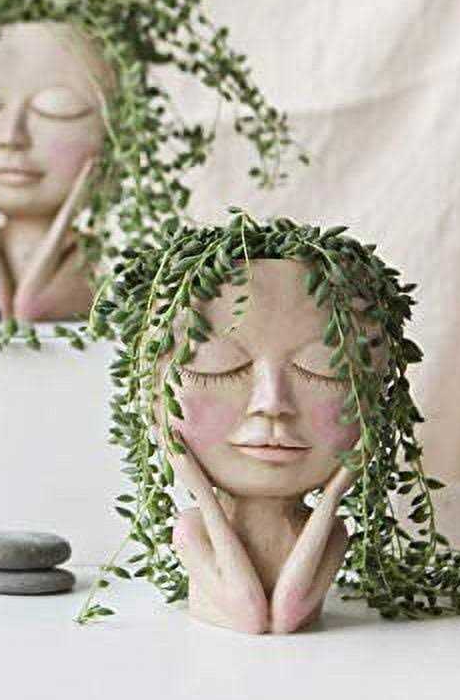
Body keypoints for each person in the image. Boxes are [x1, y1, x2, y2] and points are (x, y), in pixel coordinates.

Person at [159, 258, 383, 634]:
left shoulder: (331, 532)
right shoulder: (191, 529)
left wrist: (331, 499)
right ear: (155, 397)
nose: (272, 402)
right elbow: (249, 615)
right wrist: (204, 497)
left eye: (322, 368)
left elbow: (286, 616)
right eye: (220, 365)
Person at [0, 21, 115, 321]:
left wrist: (67, 215)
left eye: (57, 109)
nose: (11, 137)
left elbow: (29, 309)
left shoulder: (87, 255)